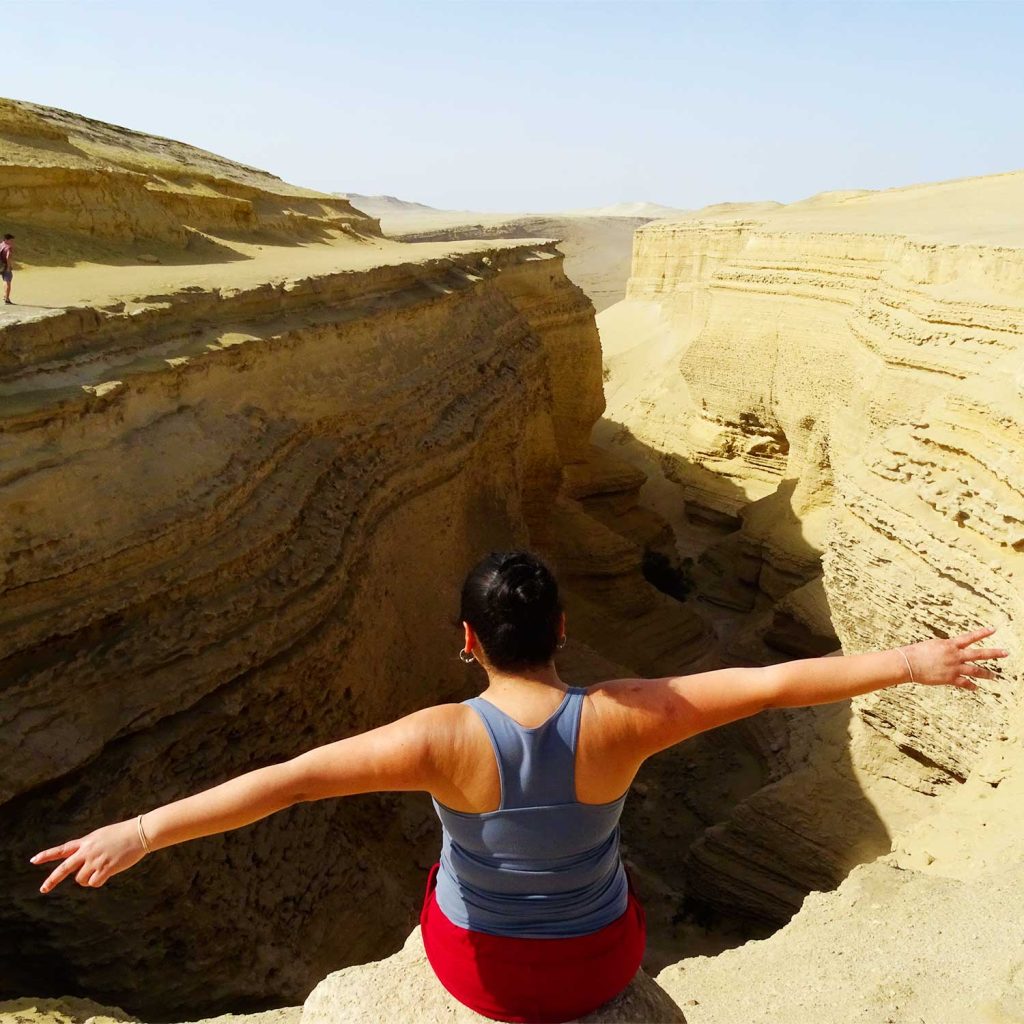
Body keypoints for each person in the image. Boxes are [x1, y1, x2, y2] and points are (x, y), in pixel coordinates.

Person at [30, 550, 1008, 1023]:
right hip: (596, 968)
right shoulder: (630, 713)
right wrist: (913, 659)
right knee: (607, 880)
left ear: (467, 642)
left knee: (442, 884)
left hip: (481, 978)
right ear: (563, 627)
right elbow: (771, 686)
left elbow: (285, 783)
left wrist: (146, 829)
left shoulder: (439, 737)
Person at [0, 233, 14, 304]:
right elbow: (8, 257)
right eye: (11, 240)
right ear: (6, 240)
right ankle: (7, 299)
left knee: (5, 281)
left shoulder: (0, 245)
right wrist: (8, 267)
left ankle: (4, 296)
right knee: (7, 281)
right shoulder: (8, 247)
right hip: (4, 266)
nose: (12, 242)